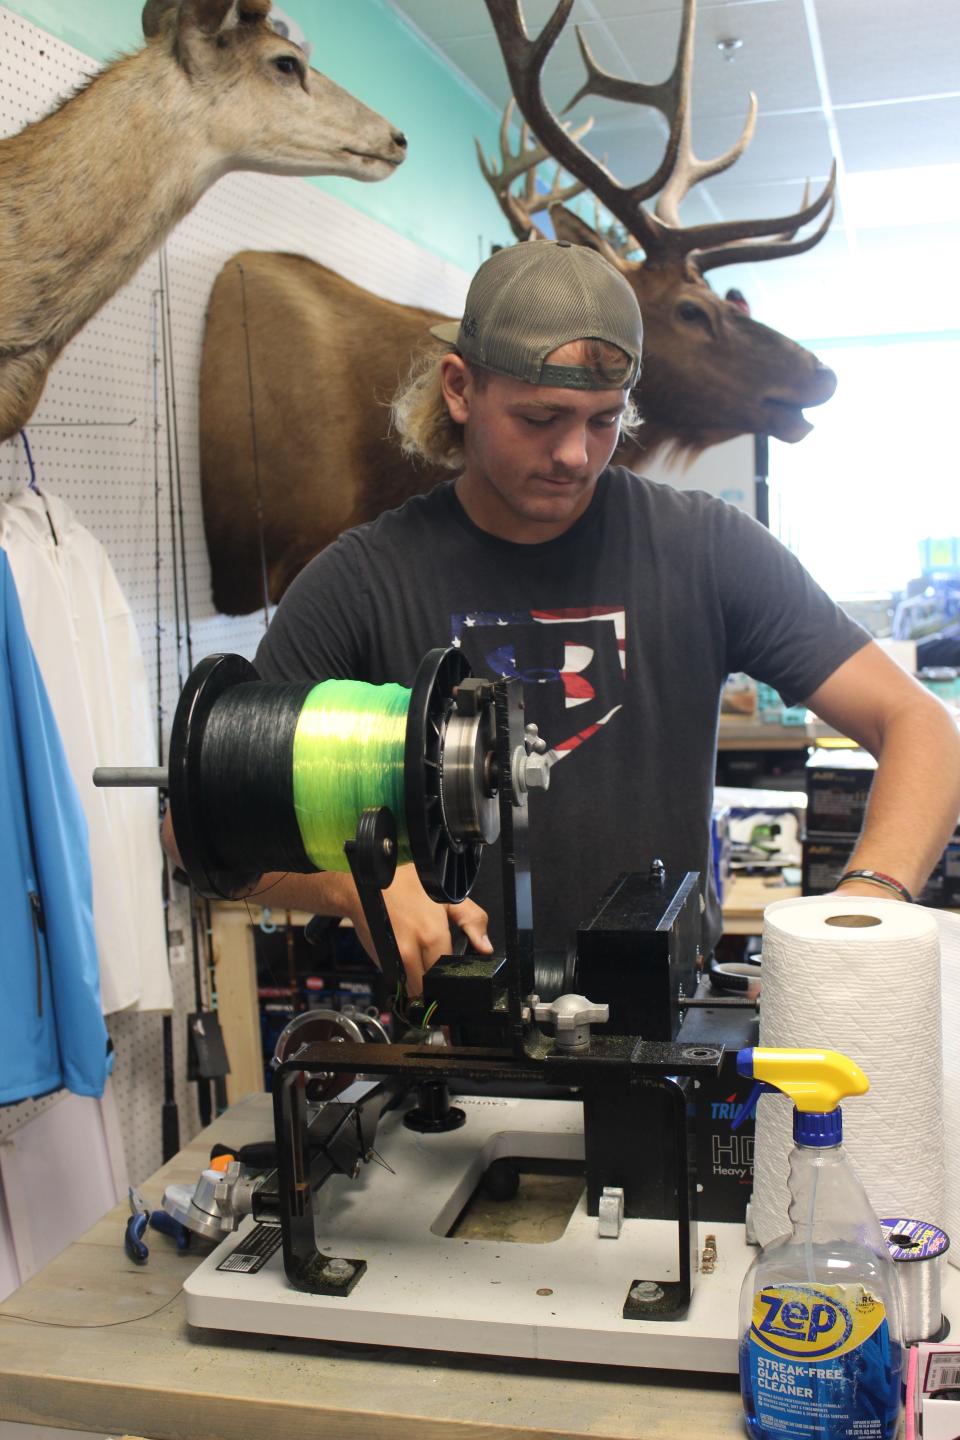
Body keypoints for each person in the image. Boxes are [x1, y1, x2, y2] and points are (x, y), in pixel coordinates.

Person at [237, 241, 960, 993]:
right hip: (450, 1053)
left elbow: (918, 723)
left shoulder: (706, 548)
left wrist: (872, 894)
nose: (576, 455)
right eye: (540, 418)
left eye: (604, 420)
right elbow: (197, 836)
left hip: (673, 1032)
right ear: (460, 388)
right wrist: (355, 884)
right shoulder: (362, 580)